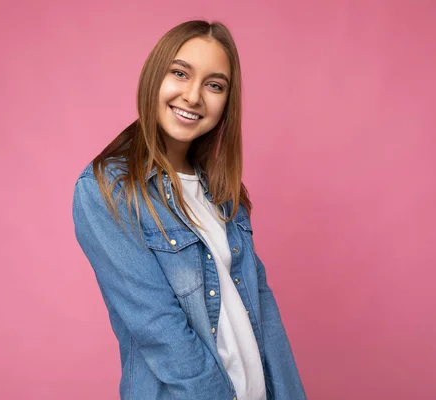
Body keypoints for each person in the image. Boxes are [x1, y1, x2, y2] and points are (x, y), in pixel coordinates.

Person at [72, 20, 306, 400]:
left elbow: (263, 312)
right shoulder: (107, 190)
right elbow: (158, 328)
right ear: (154, 79)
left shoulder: (224, 193)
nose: (194, 96)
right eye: (180, 73)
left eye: (214, 85)